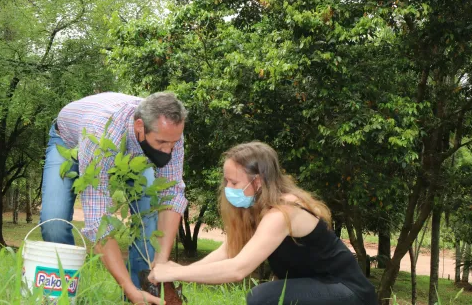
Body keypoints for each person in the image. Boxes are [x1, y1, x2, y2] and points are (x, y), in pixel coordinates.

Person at [149, 142, 378, 305]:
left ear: (257, 182)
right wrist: (182, 271)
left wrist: (178, 273)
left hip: (348, 292)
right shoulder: (256, 209)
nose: (227, 188)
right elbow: (229, 250)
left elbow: (238, 269)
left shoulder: (282, 212)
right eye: (226, 180)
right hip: (318, 286)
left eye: (234, 182)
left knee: (263, 297)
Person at [40, 91, 188, 304]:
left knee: (147, 220)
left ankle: (143, 294)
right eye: (162, 143)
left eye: (173, 144)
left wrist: (162, 259)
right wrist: (126, 287)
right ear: (140, 127)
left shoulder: (170, 131)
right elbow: (98, 219)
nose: (168, 151)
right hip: (68, 142)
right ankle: (64, 295)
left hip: (132, 152)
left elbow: (171, 194)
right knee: (54, 221)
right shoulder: (101, 136)